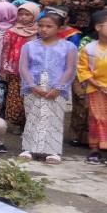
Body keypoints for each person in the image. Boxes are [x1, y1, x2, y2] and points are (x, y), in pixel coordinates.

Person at [17, 13, 77, 164]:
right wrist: (32, 86)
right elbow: (23, 67)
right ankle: (29, 149)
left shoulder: (68, 47)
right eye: (41, 26)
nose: (44, 29)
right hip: (33, 88)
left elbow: (70, 69)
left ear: (60, 28)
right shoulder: (29, 46)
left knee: (54, 118)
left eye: (49, 26)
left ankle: (53, 151)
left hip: (57, 89)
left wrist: (59, 88)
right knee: (32, 116)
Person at [78, 13, 107, 166]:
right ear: (98, 27)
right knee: (95, 119)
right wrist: (97, 85)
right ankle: (94, 151)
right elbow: (83, 69)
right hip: (96, 90)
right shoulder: (89, 48)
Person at [70, 11, 107, 146]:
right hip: (87, 82)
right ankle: (82, 140)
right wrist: (96, 83)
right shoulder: (87, 43)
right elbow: (81, 66)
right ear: (98, 26)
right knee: (86, 111)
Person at [1, 2, 40, 134]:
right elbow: (5, 51)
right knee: (16, 98)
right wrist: (4, 69)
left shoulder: (41, 31)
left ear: (35, 15)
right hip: (15, 71)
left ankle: (31, 125)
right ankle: (20, 124)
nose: (23, 17)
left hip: (34, 71)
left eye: (27, 14)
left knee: (32, 97)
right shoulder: (11, 32)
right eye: (21, 14)